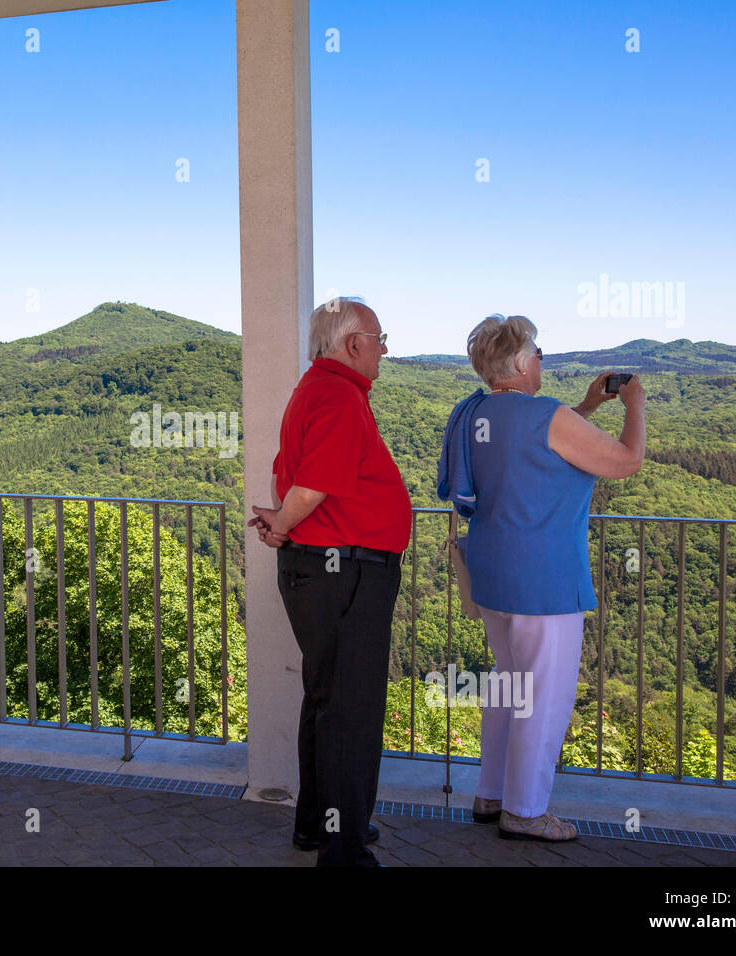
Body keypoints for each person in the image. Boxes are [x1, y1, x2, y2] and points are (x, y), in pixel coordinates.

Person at [438, 313, 645, 841]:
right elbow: (624, 461)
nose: (541, 361)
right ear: (523, 362)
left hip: (491, 572)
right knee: (542, 697)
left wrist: (588, 407)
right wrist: (634, 406)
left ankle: (491, 793)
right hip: (544, 581)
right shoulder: (545, 416)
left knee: (507, 687)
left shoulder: (474, 412)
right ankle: (526, 811)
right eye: (538, 352)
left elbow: (526, 441)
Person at [249, 296, 412, 867]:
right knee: (353, 710)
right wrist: (282, 528)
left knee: (326, 699)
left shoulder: (311, 390)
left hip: (319, 569)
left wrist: (282, 526)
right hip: (345, 572)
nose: (384, 348)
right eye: (378, 337)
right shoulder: (340, 396)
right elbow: (312, 485)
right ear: (352, 344)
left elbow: (281, 475)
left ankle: (317, 827)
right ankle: (344, 853)